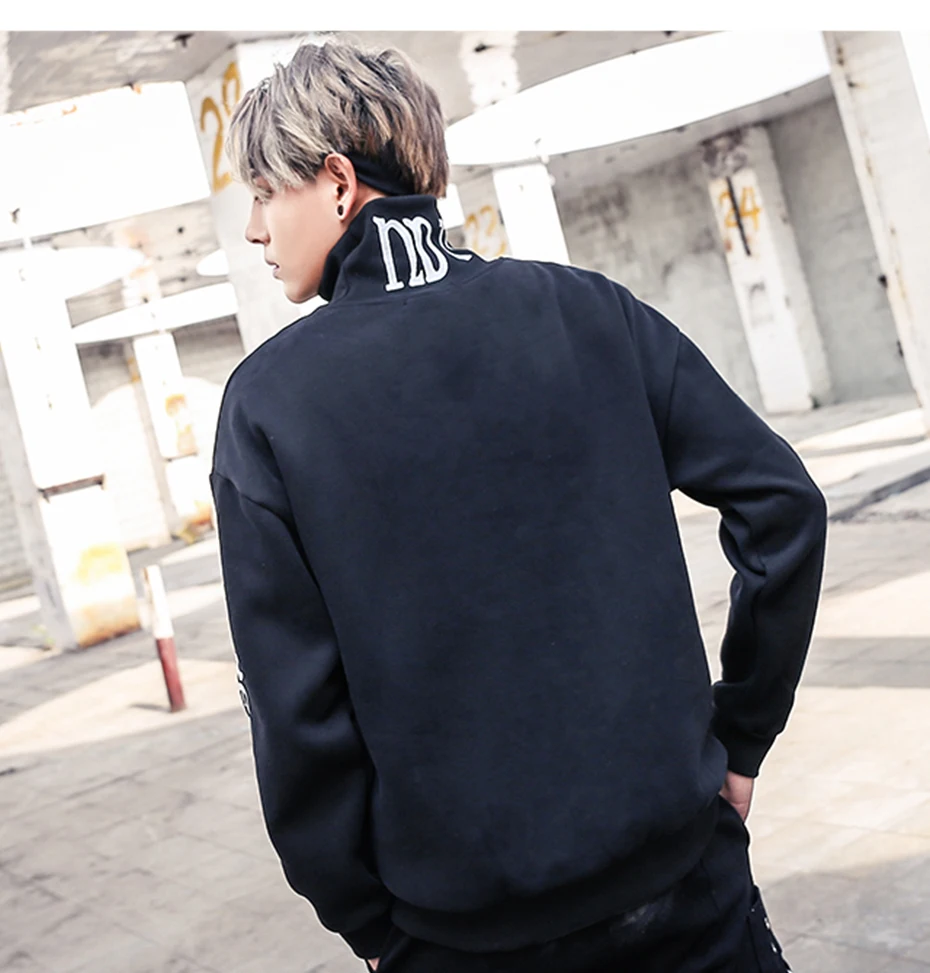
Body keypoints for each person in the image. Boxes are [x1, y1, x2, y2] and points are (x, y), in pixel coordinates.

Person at [211, 36, 825, 973]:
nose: (256, 229)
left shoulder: (268, 406)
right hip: (690, 892)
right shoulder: (594, 313)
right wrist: (741, 736)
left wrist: (369, 923)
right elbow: (783, 507)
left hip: (466, 937)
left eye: (264, 193)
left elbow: (295, 712)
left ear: (337, 183)